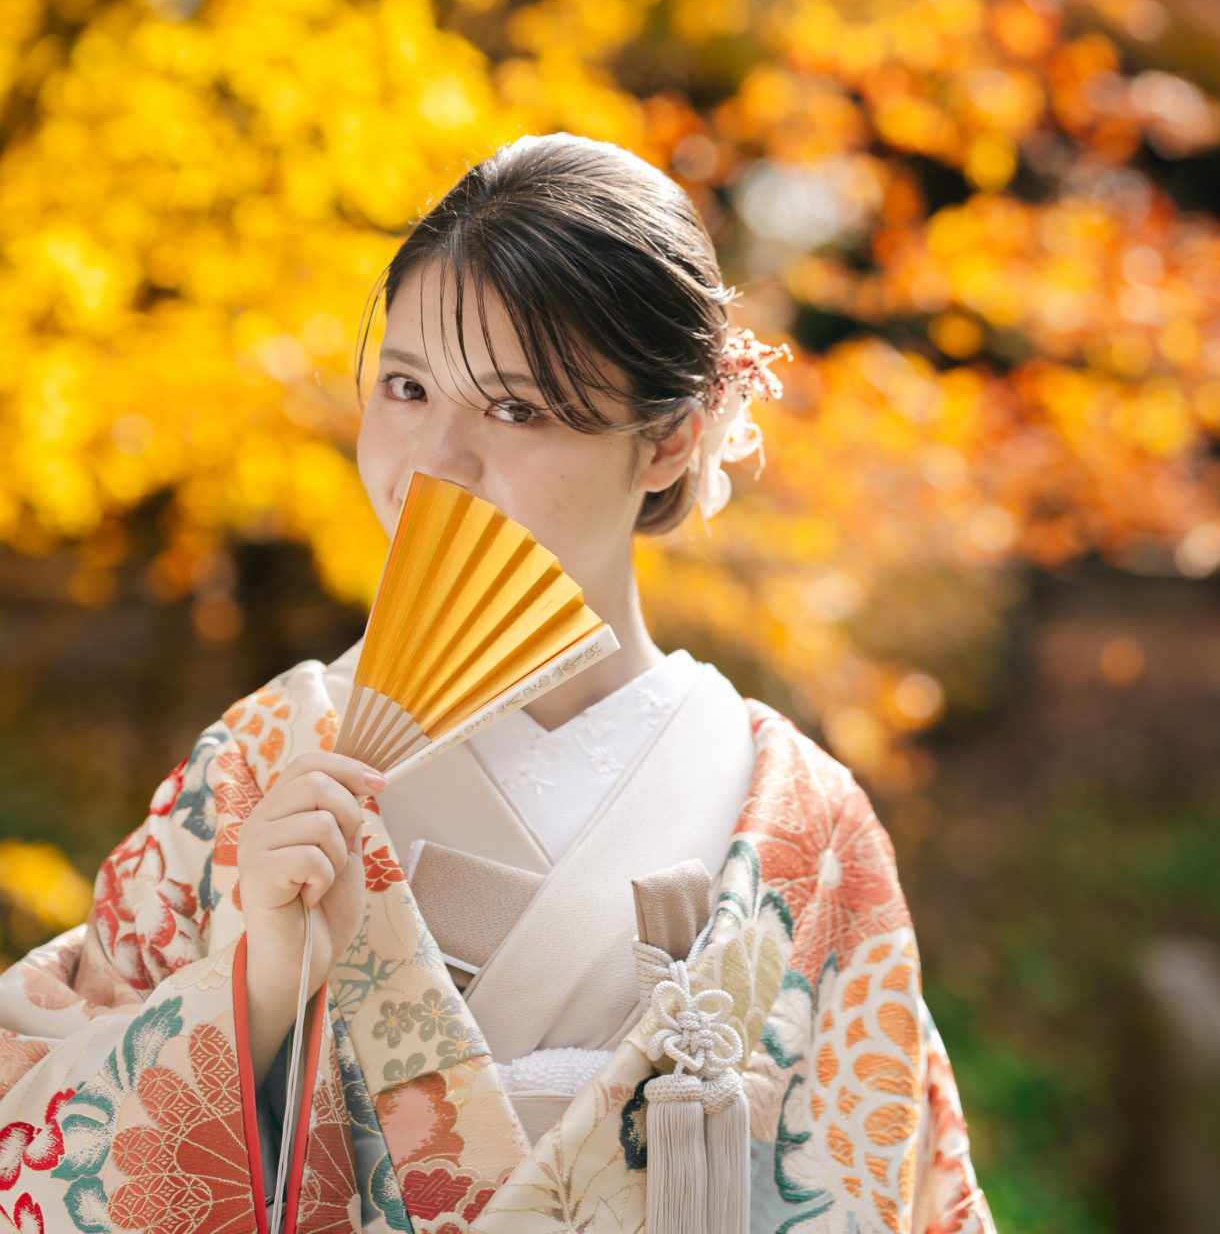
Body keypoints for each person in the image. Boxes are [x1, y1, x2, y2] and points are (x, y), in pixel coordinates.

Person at [0, 133, 994, 1234]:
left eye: (516, 407)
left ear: (667, 436)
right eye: (407, 385)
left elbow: (891, 1184)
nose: (435, 456)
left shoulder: (805, 824)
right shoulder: (262, 758)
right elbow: (34, 1147)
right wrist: (255, 994)